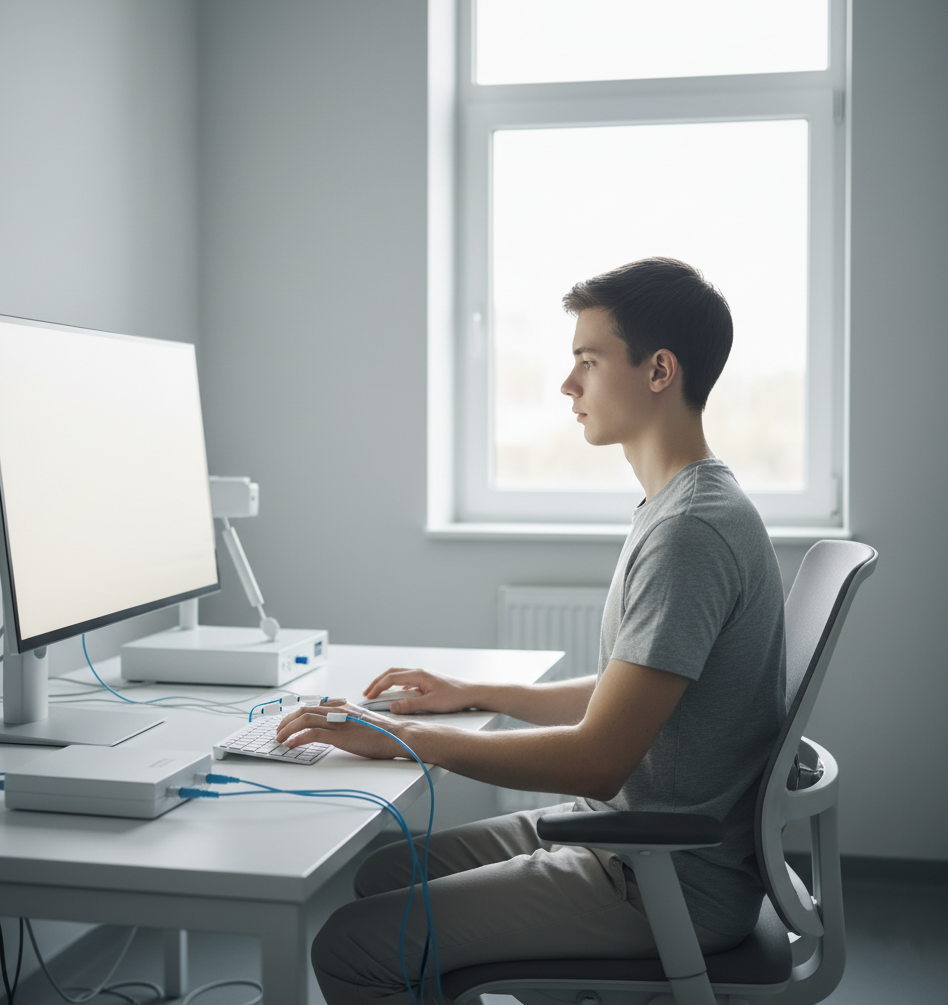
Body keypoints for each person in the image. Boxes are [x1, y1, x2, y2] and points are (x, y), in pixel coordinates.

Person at [276, 257, 787, 1005]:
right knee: (386, 873)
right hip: (631, 840)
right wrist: (473, 692)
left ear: (658, 371)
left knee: (350, 948)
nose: (567, 385)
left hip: (663, 879)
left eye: (588, 361)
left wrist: (401, 737)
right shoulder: (681, 504)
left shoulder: (691, 532)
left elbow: (597, 760)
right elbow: (628, 693)